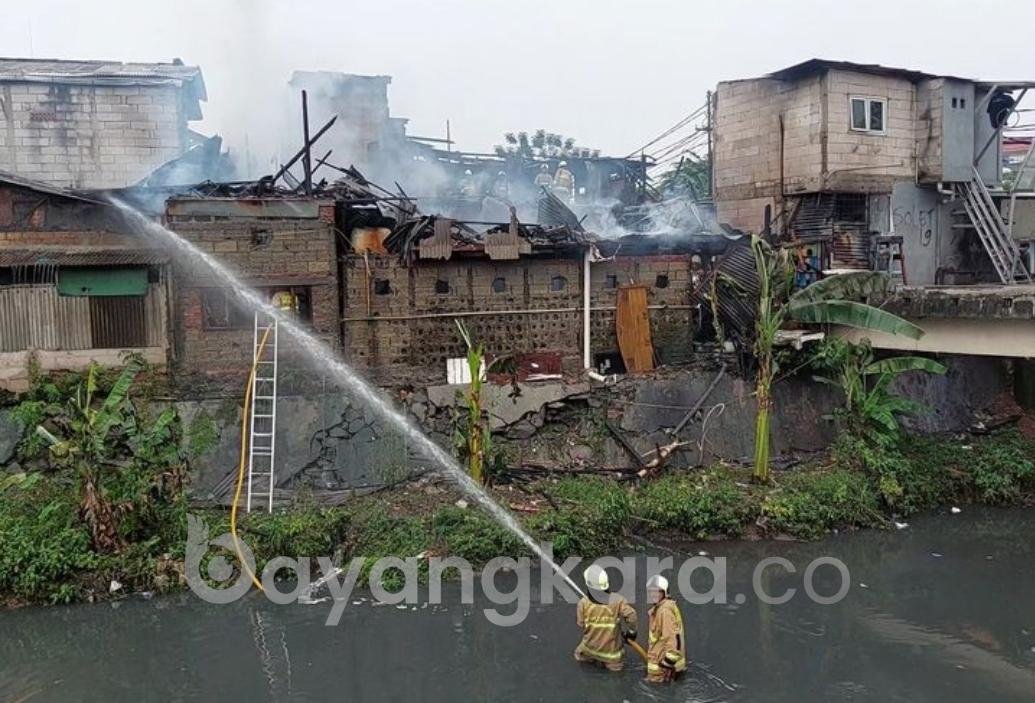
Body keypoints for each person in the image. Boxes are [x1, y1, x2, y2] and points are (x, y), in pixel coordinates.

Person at [574, 565, 638, 672]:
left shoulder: (583, 603)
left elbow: (580, 624)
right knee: (616, 672)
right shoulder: (617, 600)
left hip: (589, 650)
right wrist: (632, 632)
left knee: (579, 655)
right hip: (611, 655)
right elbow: (632, 616)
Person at [645, 574, 687, 683]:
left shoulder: (665, 611)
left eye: (657, 591)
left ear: (664, 592)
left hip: (662, 669)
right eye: (651, 591)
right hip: (663, 664)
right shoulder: (664, 607)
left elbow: (672, 638)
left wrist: (667, 662)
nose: (653, 594)